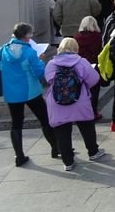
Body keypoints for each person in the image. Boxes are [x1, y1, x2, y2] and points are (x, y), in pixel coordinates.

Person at [0, 23, 59, 166]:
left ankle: (19, 156)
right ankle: (56, 148)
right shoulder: (29, 52)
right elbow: (38, 72)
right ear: (27, 36)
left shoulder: (2, 50)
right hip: (30, 91)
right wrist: (41, 60)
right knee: (45, 119)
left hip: (12, 92)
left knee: (16, 124)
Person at [44, 37, 105, 170]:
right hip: (79, 100)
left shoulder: (51, 64)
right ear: (76, 48)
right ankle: (93, 151)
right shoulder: (81, 62)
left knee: (62, 132)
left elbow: (48, 80)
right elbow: (94, 78)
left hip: (57, 102)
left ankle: (68, 162)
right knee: (86, 126)